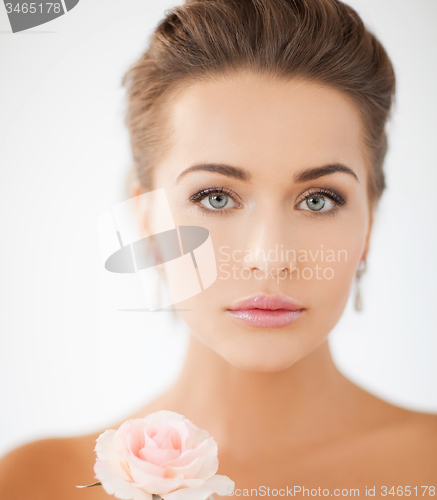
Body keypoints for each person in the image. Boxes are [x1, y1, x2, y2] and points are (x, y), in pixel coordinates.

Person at [1, 0, 436, 498]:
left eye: (318, 200)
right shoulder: (36, 483)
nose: (269, 257)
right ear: (146, 219)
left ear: (370, 222)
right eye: (215, 197)